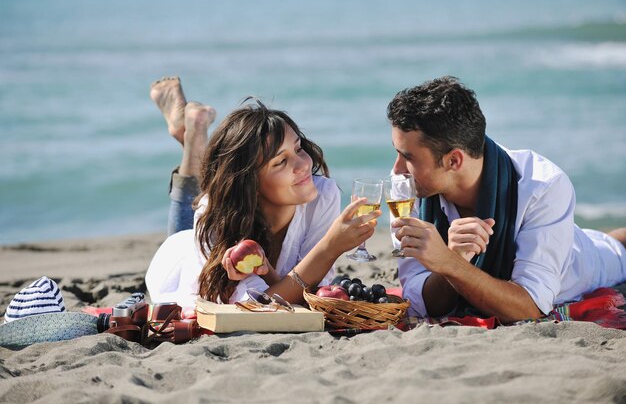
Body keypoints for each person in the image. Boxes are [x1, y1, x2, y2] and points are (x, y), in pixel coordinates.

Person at [386, 76, 626, 324]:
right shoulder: (406, 188)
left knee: (616, 248)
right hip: (550, 237)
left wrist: (450, 263)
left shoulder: (542, 186)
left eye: (408, 157)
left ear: (454, 160)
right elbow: (419, 303)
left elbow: (530, 308)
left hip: (585, 261)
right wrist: (452, 259)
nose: (397, 169)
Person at [145, 77, 381, 307]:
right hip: (179, 261)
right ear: (250, 182)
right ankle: (192, 138)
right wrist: (330, 247)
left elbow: (307, 291)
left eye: (298, 148)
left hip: (229, 207)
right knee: (196, 208)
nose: (303, 165)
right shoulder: (215, 216)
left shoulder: (323, 194)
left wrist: (268, 272)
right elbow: (256, 306)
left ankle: (192, 132)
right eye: (281, 162)